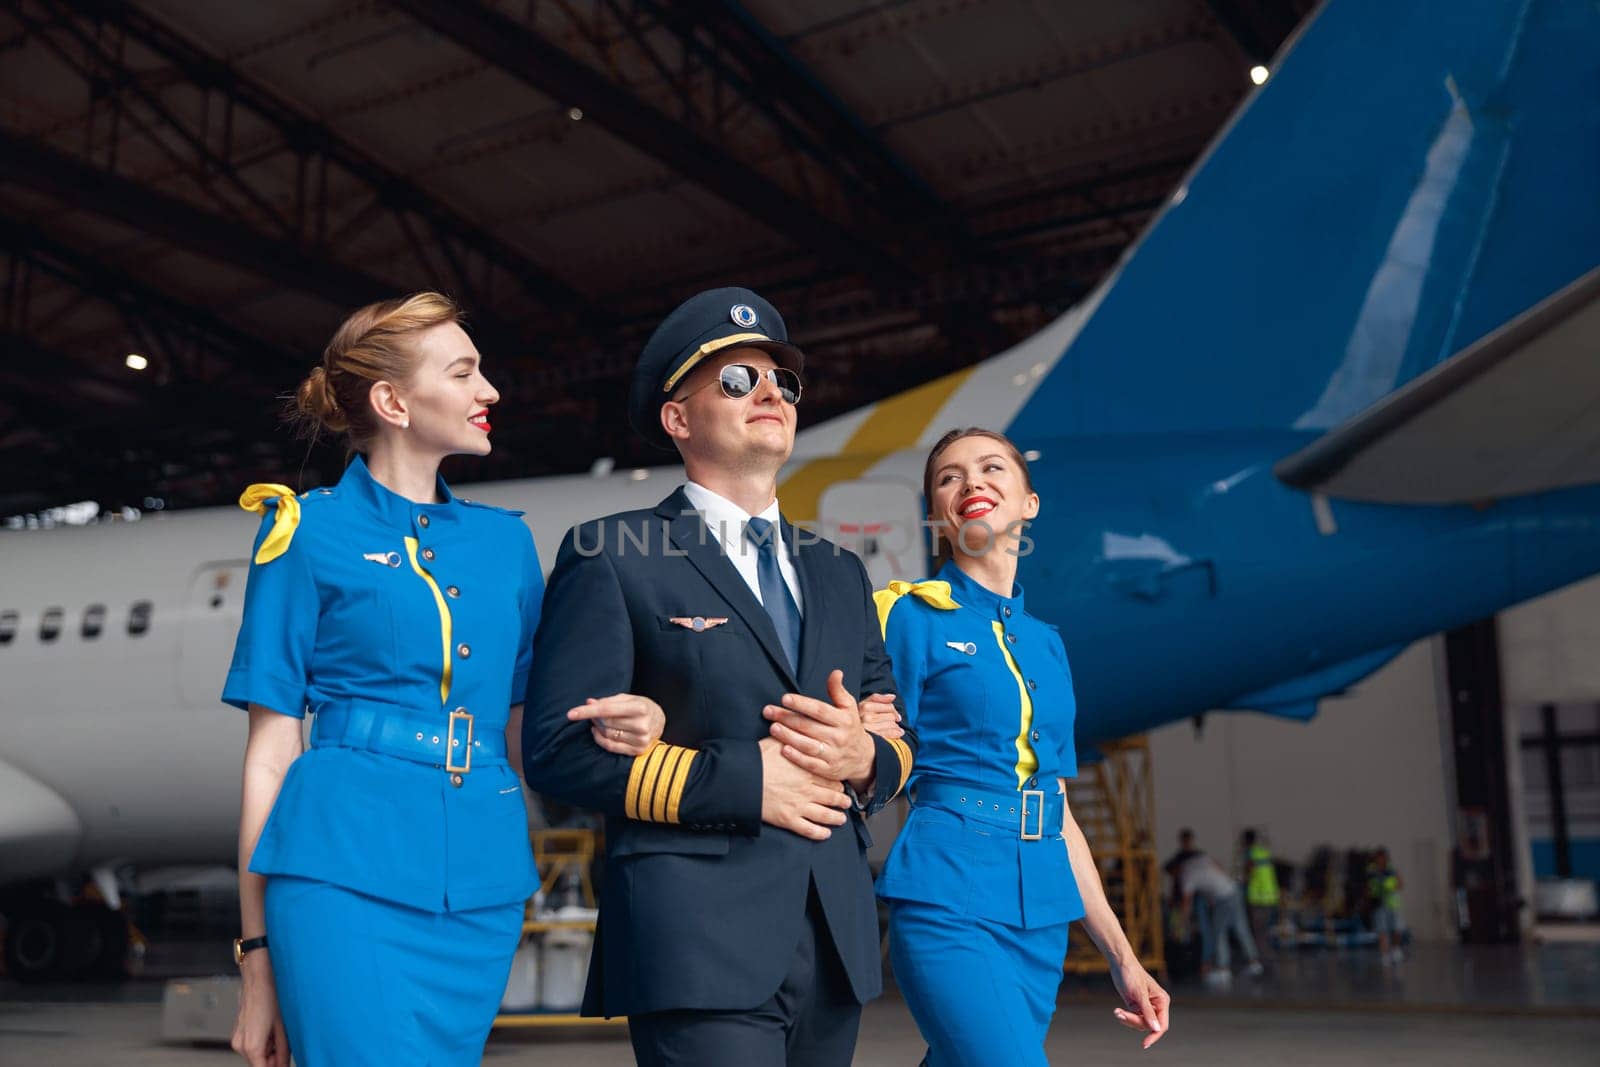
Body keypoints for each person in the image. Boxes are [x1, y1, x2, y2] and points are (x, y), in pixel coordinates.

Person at [222, 293, 664, 1067]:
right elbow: (269, 751)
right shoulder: (303, 530)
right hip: (338, 873)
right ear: (393, 401)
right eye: (464, 372)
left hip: (483, 886)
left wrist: (638, 741)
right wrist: (256, 955)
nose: (489, 390)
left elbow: (535, 733)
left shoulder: (507, 545)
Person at [521, 287, 916, 1067]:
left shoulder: (839, 572)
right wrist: (746, 783)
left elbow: (896, 737)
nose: (770, 392)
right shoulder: (613, 552)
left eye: (782, 383)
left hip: (832, 933)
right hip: (694, 935)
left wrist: (863, 758)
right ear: (678, 419)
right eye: (737, 381)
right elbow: (555, 752)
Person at [864, 427, 1170, 1063]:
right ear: (935, 517)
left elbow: (1055, 809)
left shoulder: (1045, 643)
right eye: (950, 477)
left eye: (992, 468)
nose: (972, 482)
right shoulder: (904, 616)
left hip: (1040, 916)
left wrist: (1124, 959)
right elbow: (862, 749)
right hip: (948, 897)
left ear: (1029, 502)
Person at [1179, 851, 1263, 982]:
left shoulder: (1186, 874)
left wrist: (1183, 921)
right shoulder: (1202, 859)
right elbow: (1219, 867)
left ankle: (1222, 969)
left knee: (1219, 932)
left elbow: (1186, 900)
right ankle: (1254, 962)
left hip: (1222, 898)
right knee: (1241, 928)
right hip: (1233, 889)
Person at [1241, 828, 1281, 953]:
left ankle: (1259, 959)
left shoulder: (1250, 854)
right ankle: (1267, 954)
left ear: (1246, 841)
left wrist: (1243, 880)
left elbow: (1248, 873)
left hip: (1257, 897)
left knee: (1258, 931)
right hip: (1270, 896)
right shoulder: (1264, 853)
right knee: (1266, 930)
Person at [1367, 847, 1405, 963]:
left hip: (1393, 904)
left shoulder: (1392, 870)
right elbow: (1368, 887)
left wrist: (1389, 888)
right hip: (1379, 904)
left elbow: (1400, 884)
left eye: (1383, 858)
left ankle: (1396, 949)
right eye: (1378, 858)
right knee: (1382, 930)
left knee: (1396, 929)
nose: (1381, 860)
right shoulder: (1371, 871)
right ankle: (1385, 954)